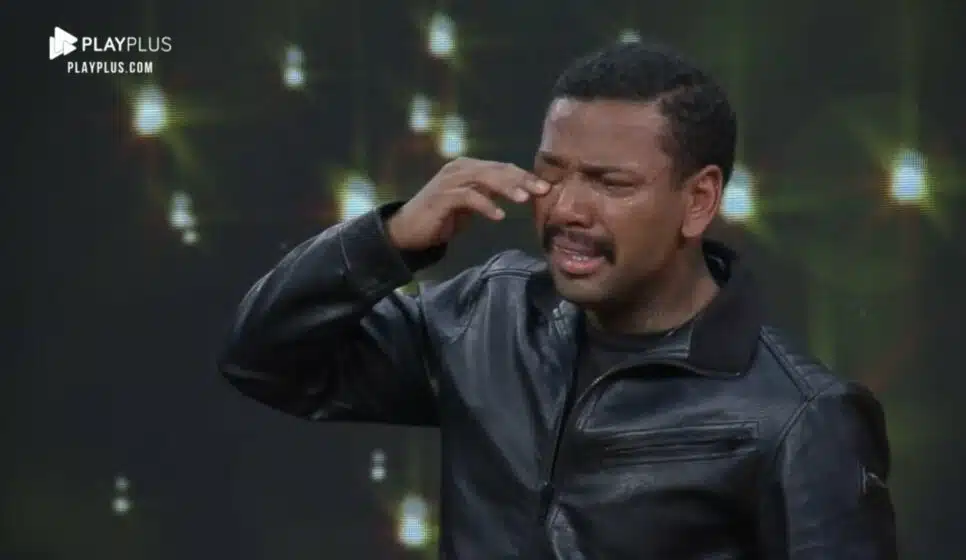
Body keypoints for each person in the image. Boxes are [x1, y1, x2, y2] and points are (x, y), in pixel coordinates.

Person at [218, 42, 898, 559]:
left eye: (610, 183)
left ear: (698, 200)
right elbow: (264, 359)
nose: (567, 208)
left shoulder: (801, 416)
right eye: (551, 174)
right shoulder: (485, 318)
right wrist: (388, 240)